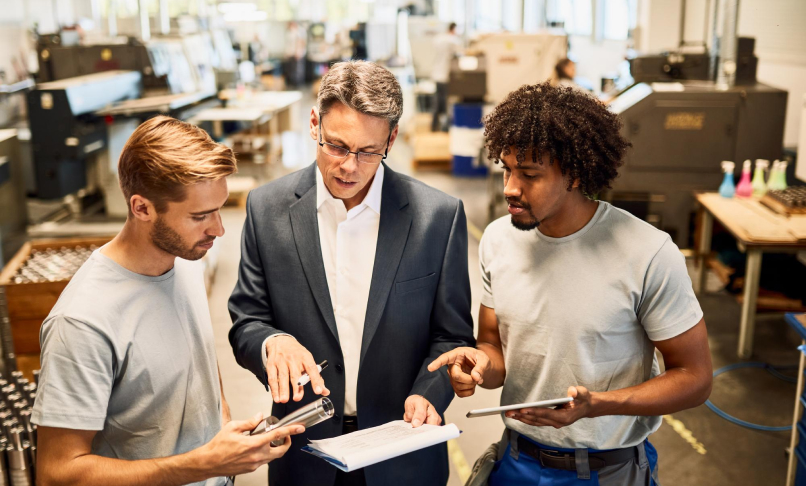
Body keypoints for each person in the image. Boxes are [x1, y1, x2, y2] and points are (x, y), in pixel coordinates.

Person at [429, 83, 713, 485]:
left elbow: (695, 378)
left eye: (529, 174)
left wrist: (596, 405)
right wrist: (477, 367)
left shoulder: (646, 252)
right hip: (517, 461)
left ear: (575, 174)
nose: (510, 187)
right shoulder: (497, 240)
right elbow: (494, 351)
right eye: (506, 168)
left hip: (608, 470)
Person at [228, 60, 475, 486]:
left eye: (368, 152)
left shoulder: (438, 217)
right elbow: (247, 319)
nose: (349, 167)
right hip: (304, 451)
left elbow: (451, 337)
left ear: (392, 139)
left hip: (402, 451)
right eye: (337, 146)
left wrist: (429, 393)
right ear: (314, 124)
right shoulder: (266, 209)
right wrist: (272, 341)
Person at [33, 116, 303, 486]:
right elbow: (57, 473)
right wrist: (201, 464)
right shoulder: (82, 322)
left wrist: (223, 429)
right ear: (142, 208)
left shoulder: (184, 260)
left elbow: (197, 357)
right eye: (200, 216)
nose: (219, 229)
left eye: (218, 209)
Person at [431, 22, 461, 132]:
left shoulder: (438, 39)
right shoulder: (452, 40)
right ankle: (445, 127)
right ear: (453, 29)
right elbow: (459, 54)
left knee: (437, 101)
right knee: (445, 102)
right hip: (445, 75)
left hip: (436, 74)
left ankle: (434, 125)